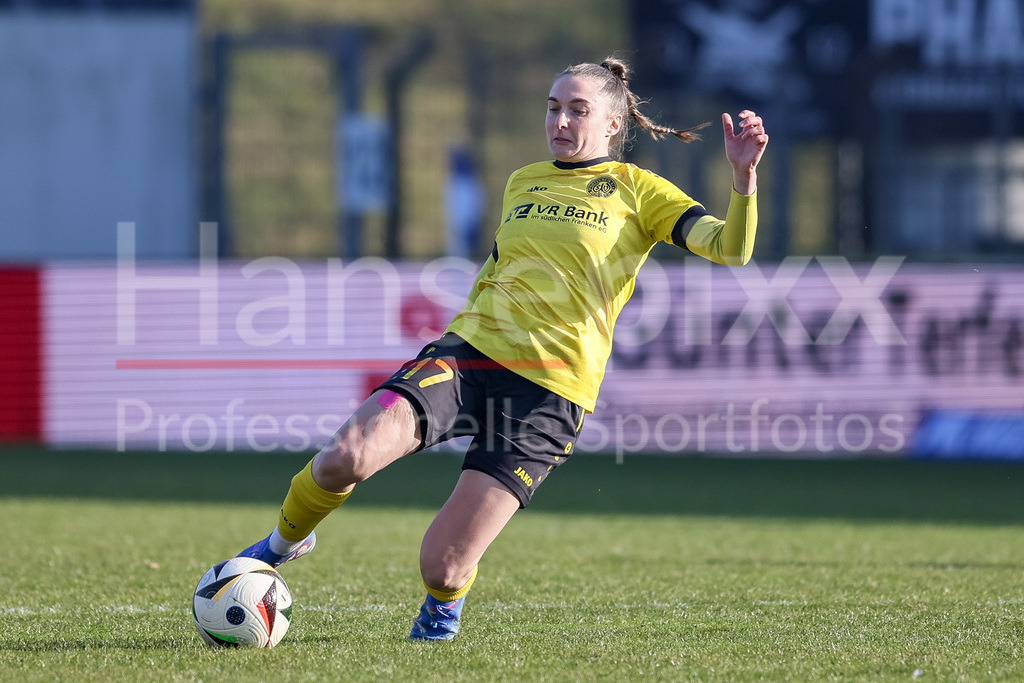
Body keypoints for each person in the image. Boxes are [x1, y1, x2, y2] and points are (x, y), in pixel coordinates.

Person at [238, 56, 768, 641]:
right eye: (552, 107)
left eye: (577, 109)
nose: (560, 121)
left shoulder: (641, 192)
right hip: (468, 357)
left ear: (615, 124)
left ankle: (442, 611)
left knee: (441, 565)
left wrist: (743, 181)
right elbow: (497, 267)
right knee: (345, 457)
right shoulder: (525, 180)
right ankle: (277, 548)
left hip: (550, 392)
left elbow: (731, 248)